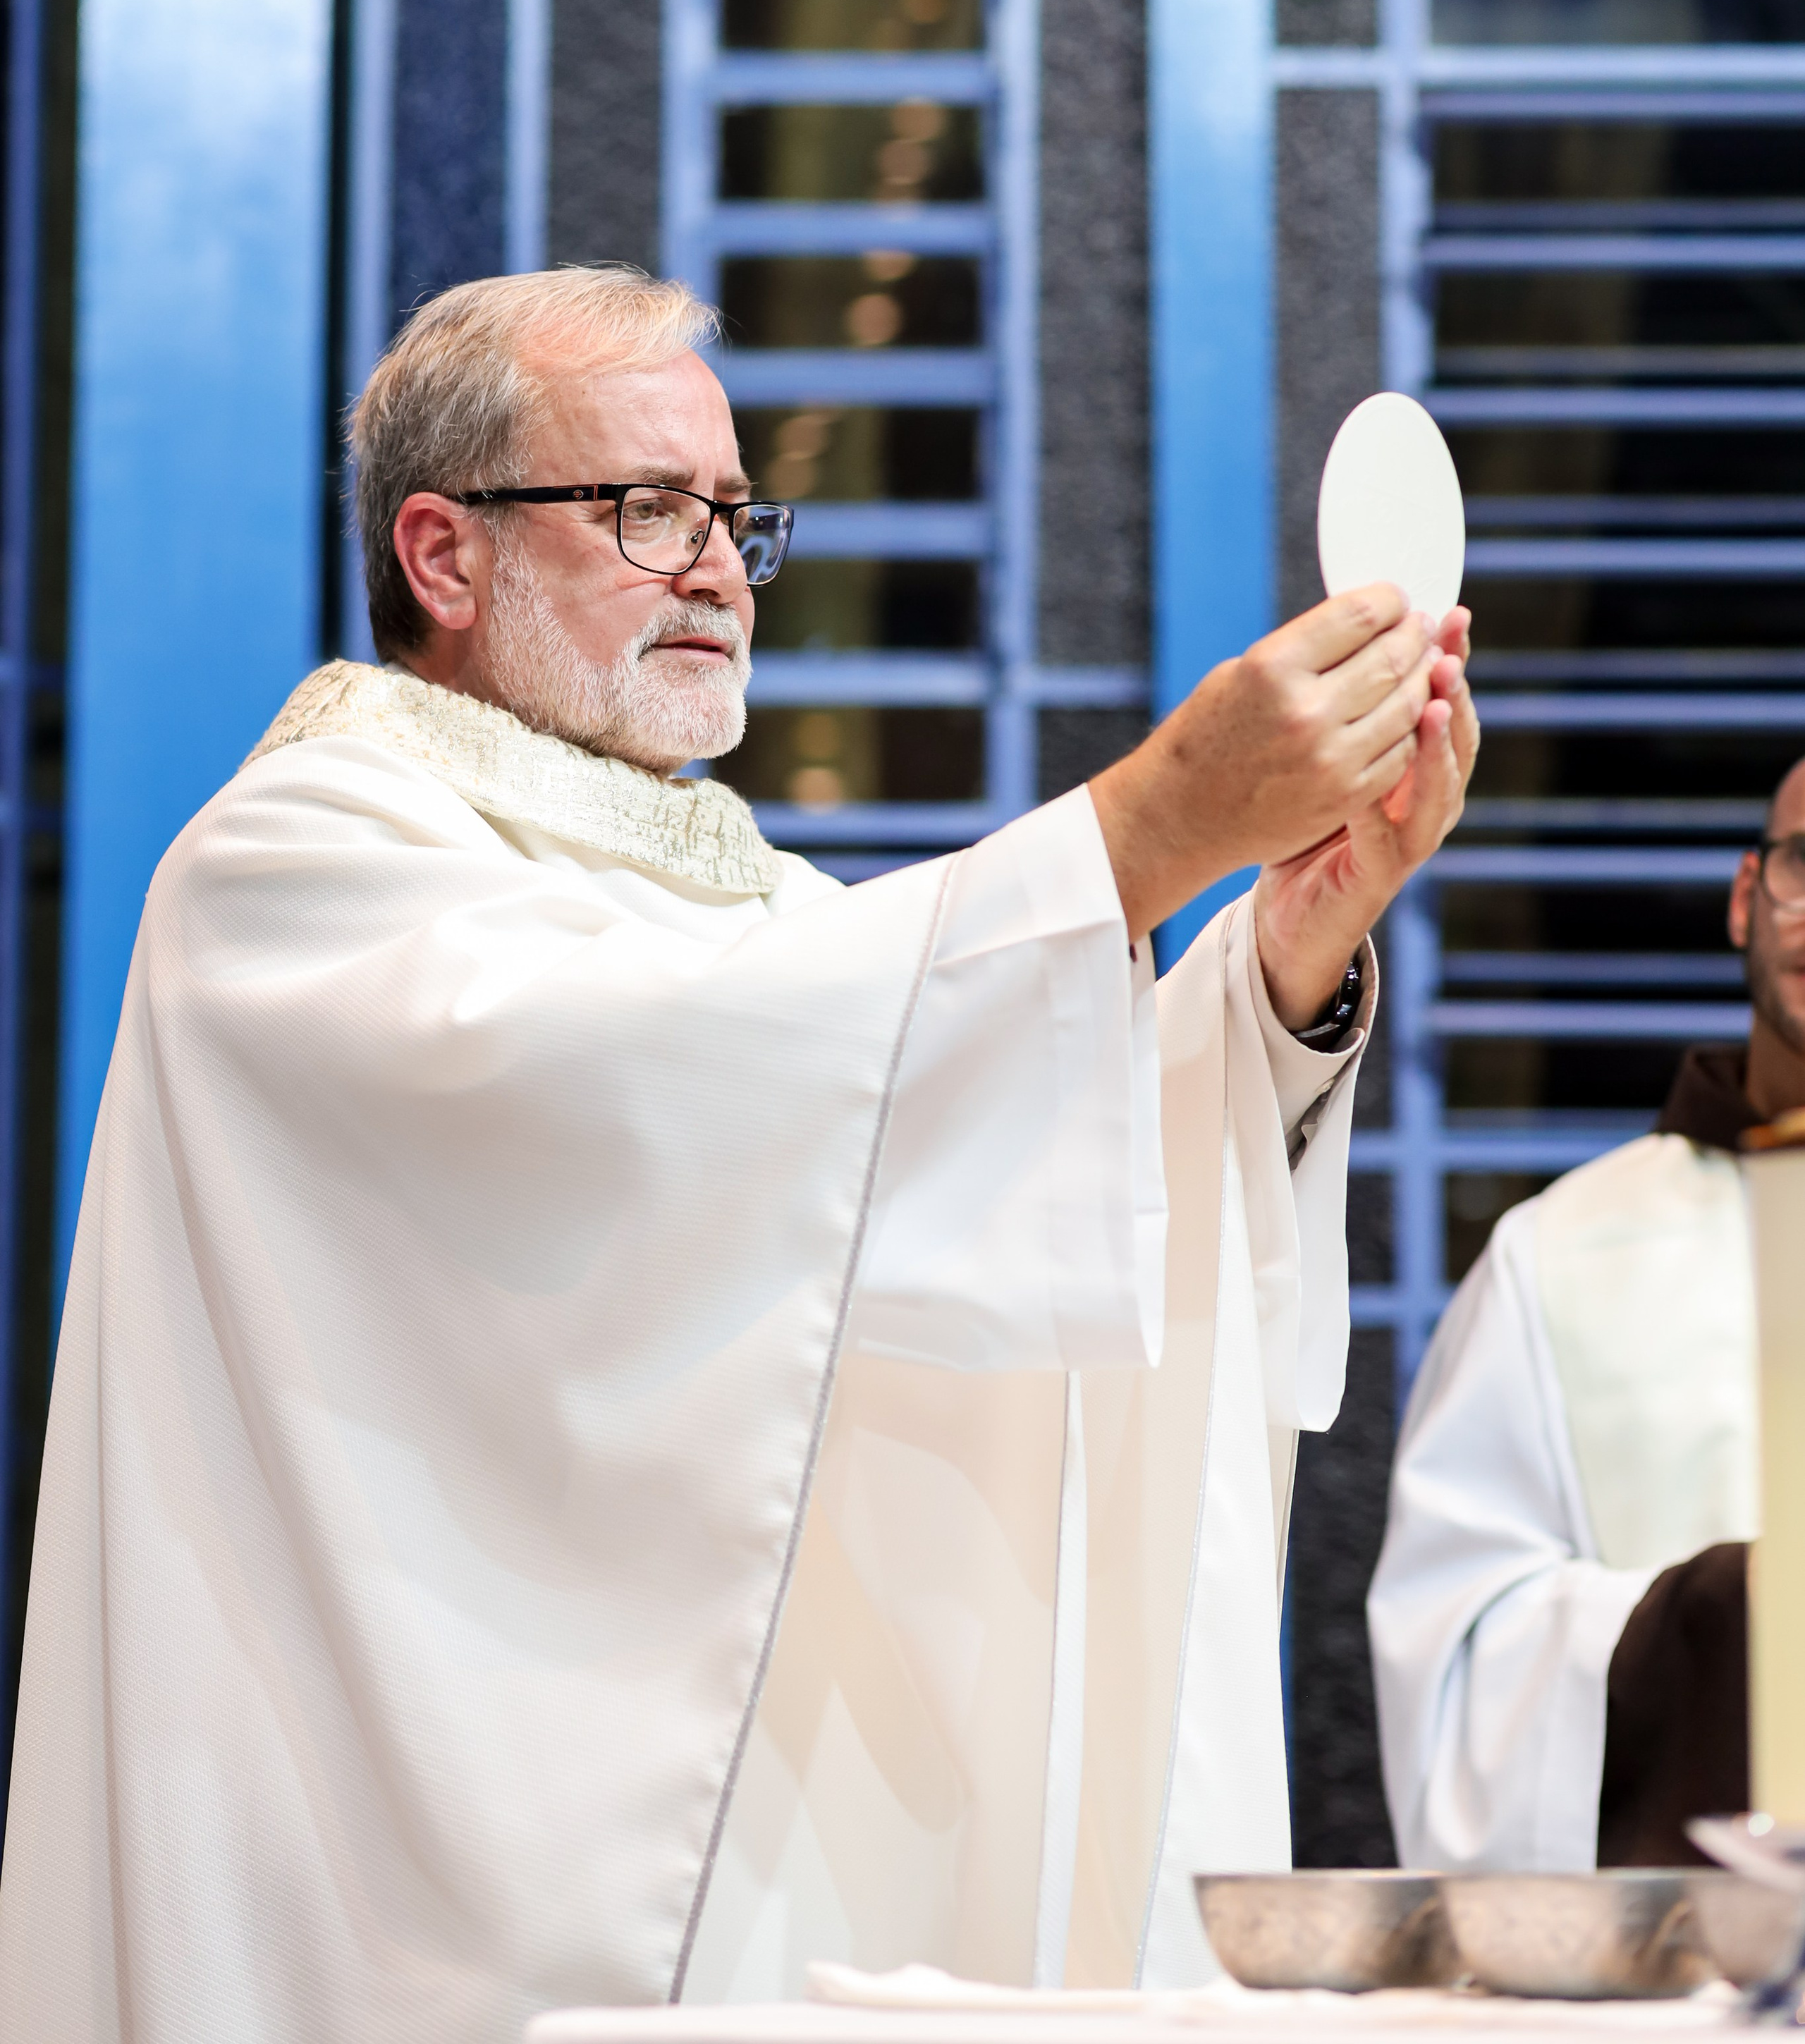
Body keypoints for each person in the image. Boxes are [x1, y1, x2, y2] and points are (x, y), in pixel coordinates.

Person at [0, 268, 1476, 2043]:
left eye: (732, 515)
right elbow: (632, 1100)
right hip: (398, 1909)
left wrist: (1281, 958)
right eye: (645, 509)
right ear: (443, 556)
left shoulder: (752, 906)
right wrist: (1145, 824)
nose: (713, 567)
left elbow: (971, 1186)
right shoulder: (298, 869)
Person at [1364, 761, 1805, 1871]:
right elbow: (1453, 1656)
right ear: (1747, 896)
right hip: (1683, 1949)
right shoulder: (1557, 1255)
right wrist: (1721, 1619)